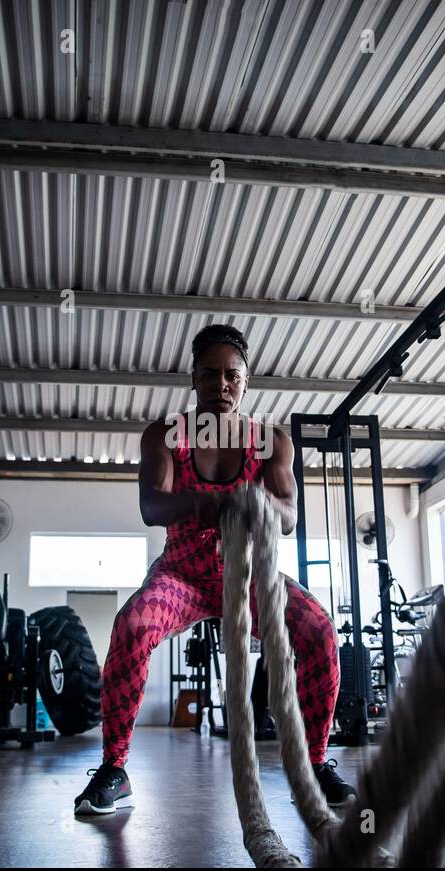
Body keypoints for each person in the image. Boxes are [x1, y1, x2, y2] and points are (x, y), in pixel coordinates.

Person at [74, 324, 356, 815]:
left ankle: (313, 764)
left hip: (248, 578)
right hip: (181, 577)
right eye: (210, 375)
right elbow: (152, 507)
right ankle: (114, 769)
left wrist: (259, 504)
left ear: (246, 382)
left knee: (320, 633)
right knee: (134, 624)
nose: (221, 385)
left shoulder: (272, 442)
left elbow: (289, 518)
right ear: (193, 379)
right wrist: (211, 502)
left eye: (232, 376)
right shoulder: (164, 436)